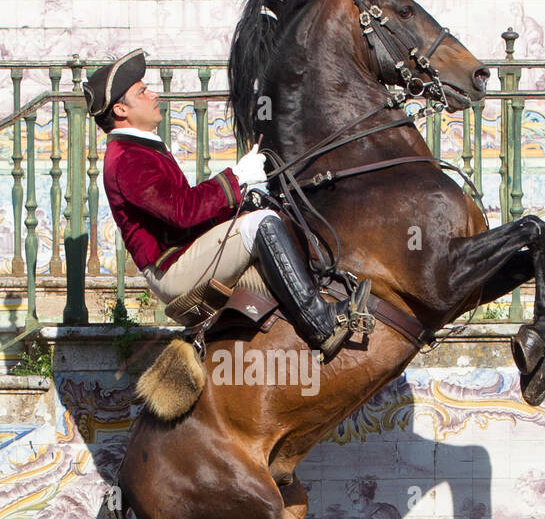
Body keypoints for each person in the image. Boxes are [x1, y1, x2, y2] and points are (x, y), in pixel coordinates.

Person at [83, 50, 371, 359]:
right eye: (142, 91)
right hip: (173, 268)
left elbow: (186, 214)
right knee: (259, 225)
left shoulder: (139, 148)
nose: (154, 94)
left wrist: (243, 196)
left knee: (266, 212)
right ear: (120, 109)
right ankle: (321, 323)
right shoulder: (127, 158)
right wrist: (237, 177)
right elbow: (182, 211)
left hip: (185, 253)